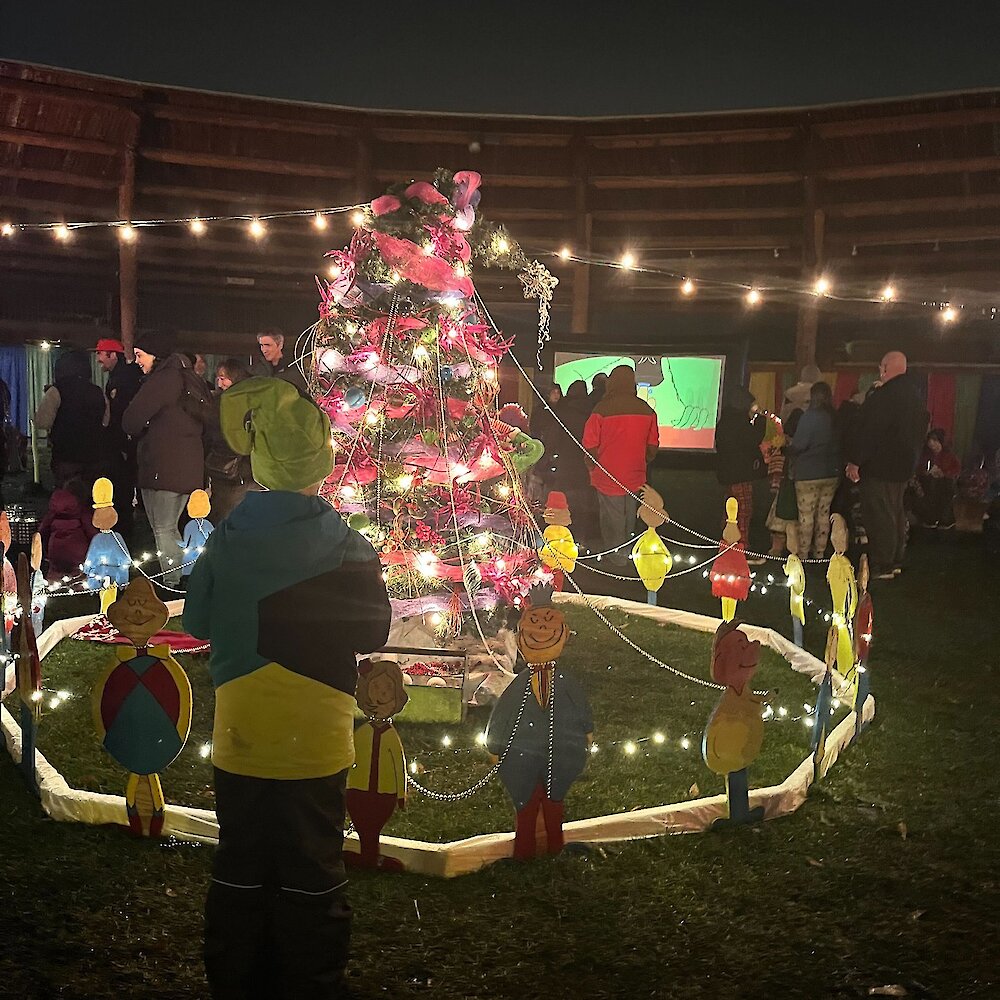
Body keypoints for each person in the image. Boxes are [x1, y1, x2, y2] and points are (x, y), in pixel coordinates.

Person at [183, 377, 392, 999]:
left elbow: (195, 622)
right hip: (319, 739)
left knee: (241, 859)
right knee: (313, 863)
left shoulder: (225, 540)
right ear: (322, 463)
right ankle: (312, 980)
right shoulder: (350, 545)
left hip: (241, 734)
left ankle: (235, 977)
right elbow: (374, 630)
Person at [122, 329, 210, 590]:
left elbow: (131, 419)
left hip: (164, 466)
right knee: (170, 528)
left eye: (140, 355)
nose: (137, 361)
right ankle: (185, 577)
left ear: (155, 355)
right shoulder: (187, 376)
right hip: (186, 465)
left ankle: (174, 583)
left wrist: (144, 425)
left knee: (163, 529)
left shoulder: (163, 380)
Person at [845, 351, 928, 580]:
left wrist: (856, 460)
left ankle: (883, 563)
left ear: (885, 368)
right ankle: (896, 559)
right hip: (904, 465)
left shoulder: (884, 396)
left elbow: (870, 431)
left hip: (880, 465)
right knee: (896, 512)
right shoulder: (915, 396)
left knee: (879, 514)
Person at [582, 365, 658, 565]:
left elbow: (589, 443)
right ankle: (629, 553)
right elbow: (653, 444)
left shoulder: (601, 409)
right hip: (636, 475)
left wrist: (592, 466)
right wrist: (644, 460)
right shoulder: (646, 409)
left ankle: (617, 560)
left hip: (607, 475)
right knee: (629, 515)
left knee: (612, 518)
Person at [34, 349, 108, 487]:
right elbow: (106, 421)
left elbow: (43, 422)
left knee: (68, 498)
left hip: (66, 455)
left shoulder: (56, 390)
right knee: (91, 498)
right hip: (94, 455)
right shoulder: (97, 390)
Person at [787, 381, 841, 559]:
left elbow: (800, 444)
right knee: (824, 513)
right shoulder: (834, 417)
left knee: (806, 515)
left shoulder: (809, 417)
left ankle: (803, 554)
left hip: (808, 472)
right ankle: (820, 552)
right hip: (831, 472)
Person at [95, 337, 143, 539]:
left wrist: (122, 442)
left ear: (113, 355)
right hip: (125, 443)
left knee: (123, 489)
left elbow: (122, 414)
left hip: (124, 445)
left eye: (101, 354)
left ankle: (123, 532)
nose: (98, 359)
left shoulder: (123, 379)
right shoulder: (122, 375)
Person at [714, 385, 767, 563]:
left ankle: (726, 545)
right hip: (740, 475)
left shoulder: (725, 421)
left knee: (729, 510)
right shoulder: (740, 423)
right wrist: (760, 418)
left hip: (727, 473)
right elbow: (755, 438)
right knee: (743, 511)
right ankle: (741, 547)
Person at [205, 358, 256, 524]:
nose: (220, 383)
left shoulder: (223, 402)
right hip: (244, 467)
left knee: (224, 515)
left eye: (224, 377)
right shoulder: (252, 398)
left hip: (229, 466)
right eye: (218, 378)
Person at [553, 380, 599, 546]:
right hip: (584, 465)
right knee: (583, 504)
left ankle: (564, 540)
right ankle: (581, 539)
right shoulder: (591, 411)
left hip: (565, 463)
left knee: (565, 503)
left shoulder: (562, 410)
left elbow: (555, 437)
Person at [38, 477, 97, 581]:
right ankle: (77, 588)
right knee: (77, 572)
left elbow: (42, 530)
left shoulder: (53, 511)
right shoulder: (82, 511)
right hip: (77, 549)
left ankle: (53, 587)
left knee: (55, 570)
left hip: (55, 549)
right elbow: (92, 532)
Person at [910, 428, 961, 529]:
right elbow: (919, 468)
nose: (932, 443)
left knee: (945, 488)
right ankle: (929, 517)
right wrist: (926, 472)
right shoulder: (925, 454)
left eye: (935, 441)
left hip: (944, 482)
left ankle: (944, 519)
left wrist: (944, 473)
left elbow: (956, 469)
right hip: (927, 481)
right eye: (930, 440)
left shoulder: (949, 455)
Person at [257, 328, 309, 394]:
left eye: (268, 345)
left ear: (280, 345)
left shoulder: (294, 370)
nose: (264, 350)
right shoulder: (258, 370)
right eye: (262, 345)